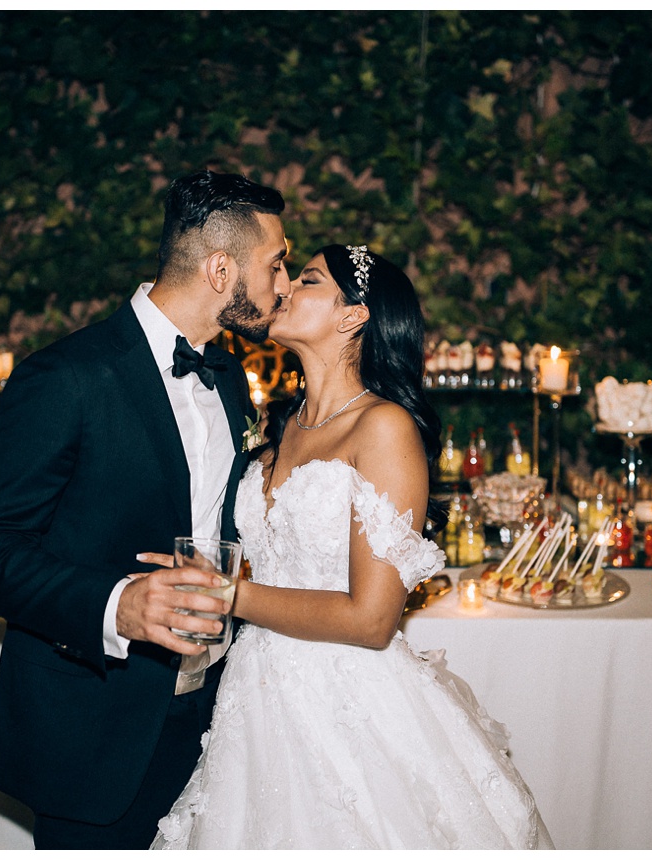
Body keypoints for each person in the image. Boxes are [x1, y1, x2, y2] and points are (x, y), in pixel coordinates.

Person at [148, 244, 554, 849]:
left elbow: (372, 618)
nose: (282, 287)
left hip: (348, 705)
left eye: (308, 279)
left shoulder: (384, 427)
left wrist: (230, 594)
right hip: (254, 699)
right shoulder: (277, 429)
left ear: (352, 316)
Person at [0, 169, 290, 849]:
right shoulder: (65, 377)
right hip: (97, 723)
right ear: (222, 269)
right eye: (276, 263)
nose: (283, 284)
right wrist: (118, 607)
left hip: (217, 718)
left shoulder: (227, 376)